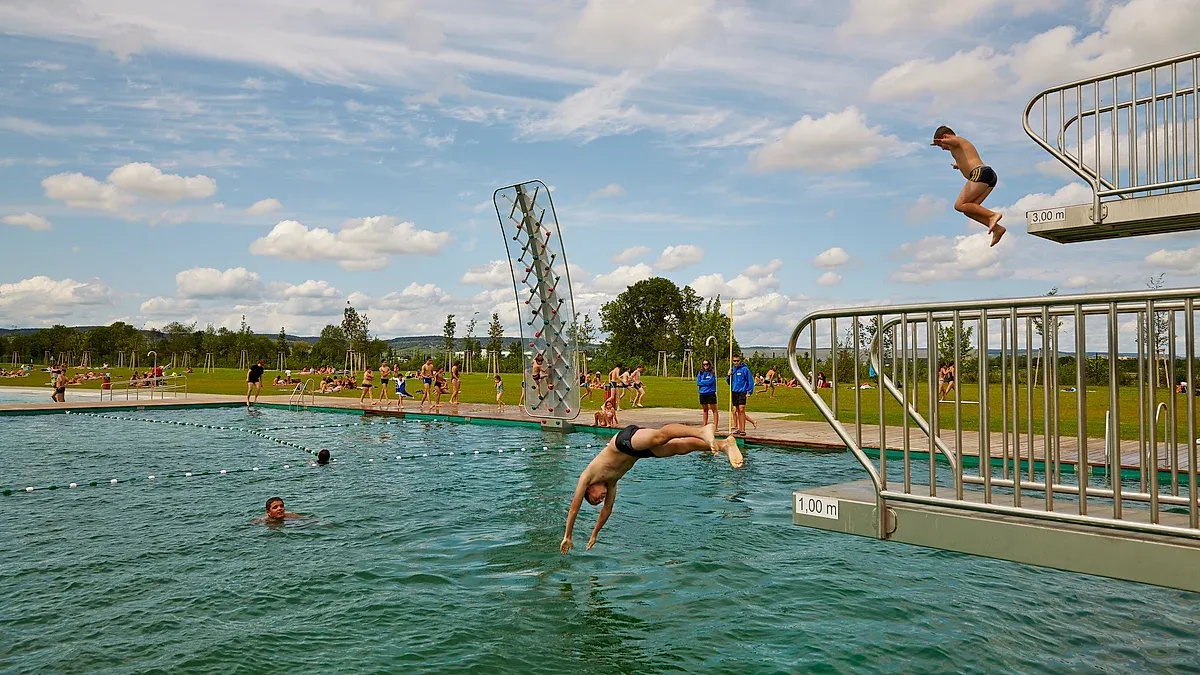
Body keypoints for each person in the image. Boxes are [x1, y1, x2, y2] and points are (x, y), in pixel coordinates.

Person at [559, 424, 742, 554]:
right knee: (679, 447)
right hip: (636, 452)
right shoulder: (612, 482)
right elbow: (607, 510)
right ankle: (724, 445)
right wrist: (594, 534)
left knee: (660, 437)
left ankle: (701, 431)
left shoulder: (586, 476)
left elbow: (574, 508)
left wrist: (568, 536)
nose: (600, 500)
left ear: (589, 490)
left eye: (595, 499)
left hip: (624, 441)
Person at [932, 125, 1005, 247]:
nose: (943, 149)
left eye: (941, 146)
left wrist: (941, 141)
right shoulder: (959, 148)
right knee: (968, 210)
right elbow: (967, 158)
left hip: (980, 173)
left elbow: (953, 140)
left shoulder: (957, 140)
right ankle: (998, 229)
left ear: (944, 137)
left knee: (958, 205)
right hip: (989, 176)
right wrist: (959, 165)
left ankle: (992, 215)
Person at [728, 354, 753, 436]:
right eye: (734, 361)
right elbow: (729, 382)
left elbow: (750, 381)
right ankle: (739, 428)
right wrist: (729, 375)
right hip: (734, 391)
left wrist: (749, 391)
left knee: (741, 409)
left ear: (740, 361)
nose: (736, 362)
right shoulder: (732, 369)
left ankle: (743, 429)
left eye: (737, 361)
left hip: (742, 391)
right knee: (737, 410)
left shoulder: (745, 369)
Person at [696, 359, 719, 429]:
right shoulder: (701, 373)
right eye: (704, 365)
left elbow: (710, 382)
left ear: (709, 365)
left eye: (707, 364)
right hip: (703, 393)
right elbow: (698, 382)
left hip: (710, 393)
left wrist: (703, 382)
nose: (705, 366)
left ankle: (715, 425)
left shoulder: (712, 373)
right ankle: (704, 424)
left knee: (714, 409)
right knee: (705, 409)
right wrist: (704, 382)